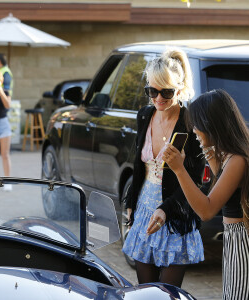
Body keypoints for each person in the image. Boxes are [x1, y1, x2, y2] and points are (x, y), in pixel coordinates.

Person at [122, 49, 206, 287]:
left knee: (168, 293)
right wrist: (130, 201)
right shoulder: (145, 115)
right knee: (145, 290)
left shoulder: (191, 123)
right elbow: (138, 165)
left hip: (175, 211)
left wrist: (167, 209)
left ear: (179, 89)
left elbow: (198, 181)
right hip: (144, 210)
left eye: (166, 92)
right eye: (152, 91)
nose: (158, 98)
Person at [162, 89, 249, 299]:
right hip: (234, 237)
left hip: (241, 239)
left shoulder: (237, 160)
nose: (193, 131)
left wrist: (179, 169)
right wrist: (208, 147)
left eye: (196, 125)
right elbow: (216, 187)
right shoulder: (230, 155)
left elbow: (207, 210)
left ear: (211, 125)